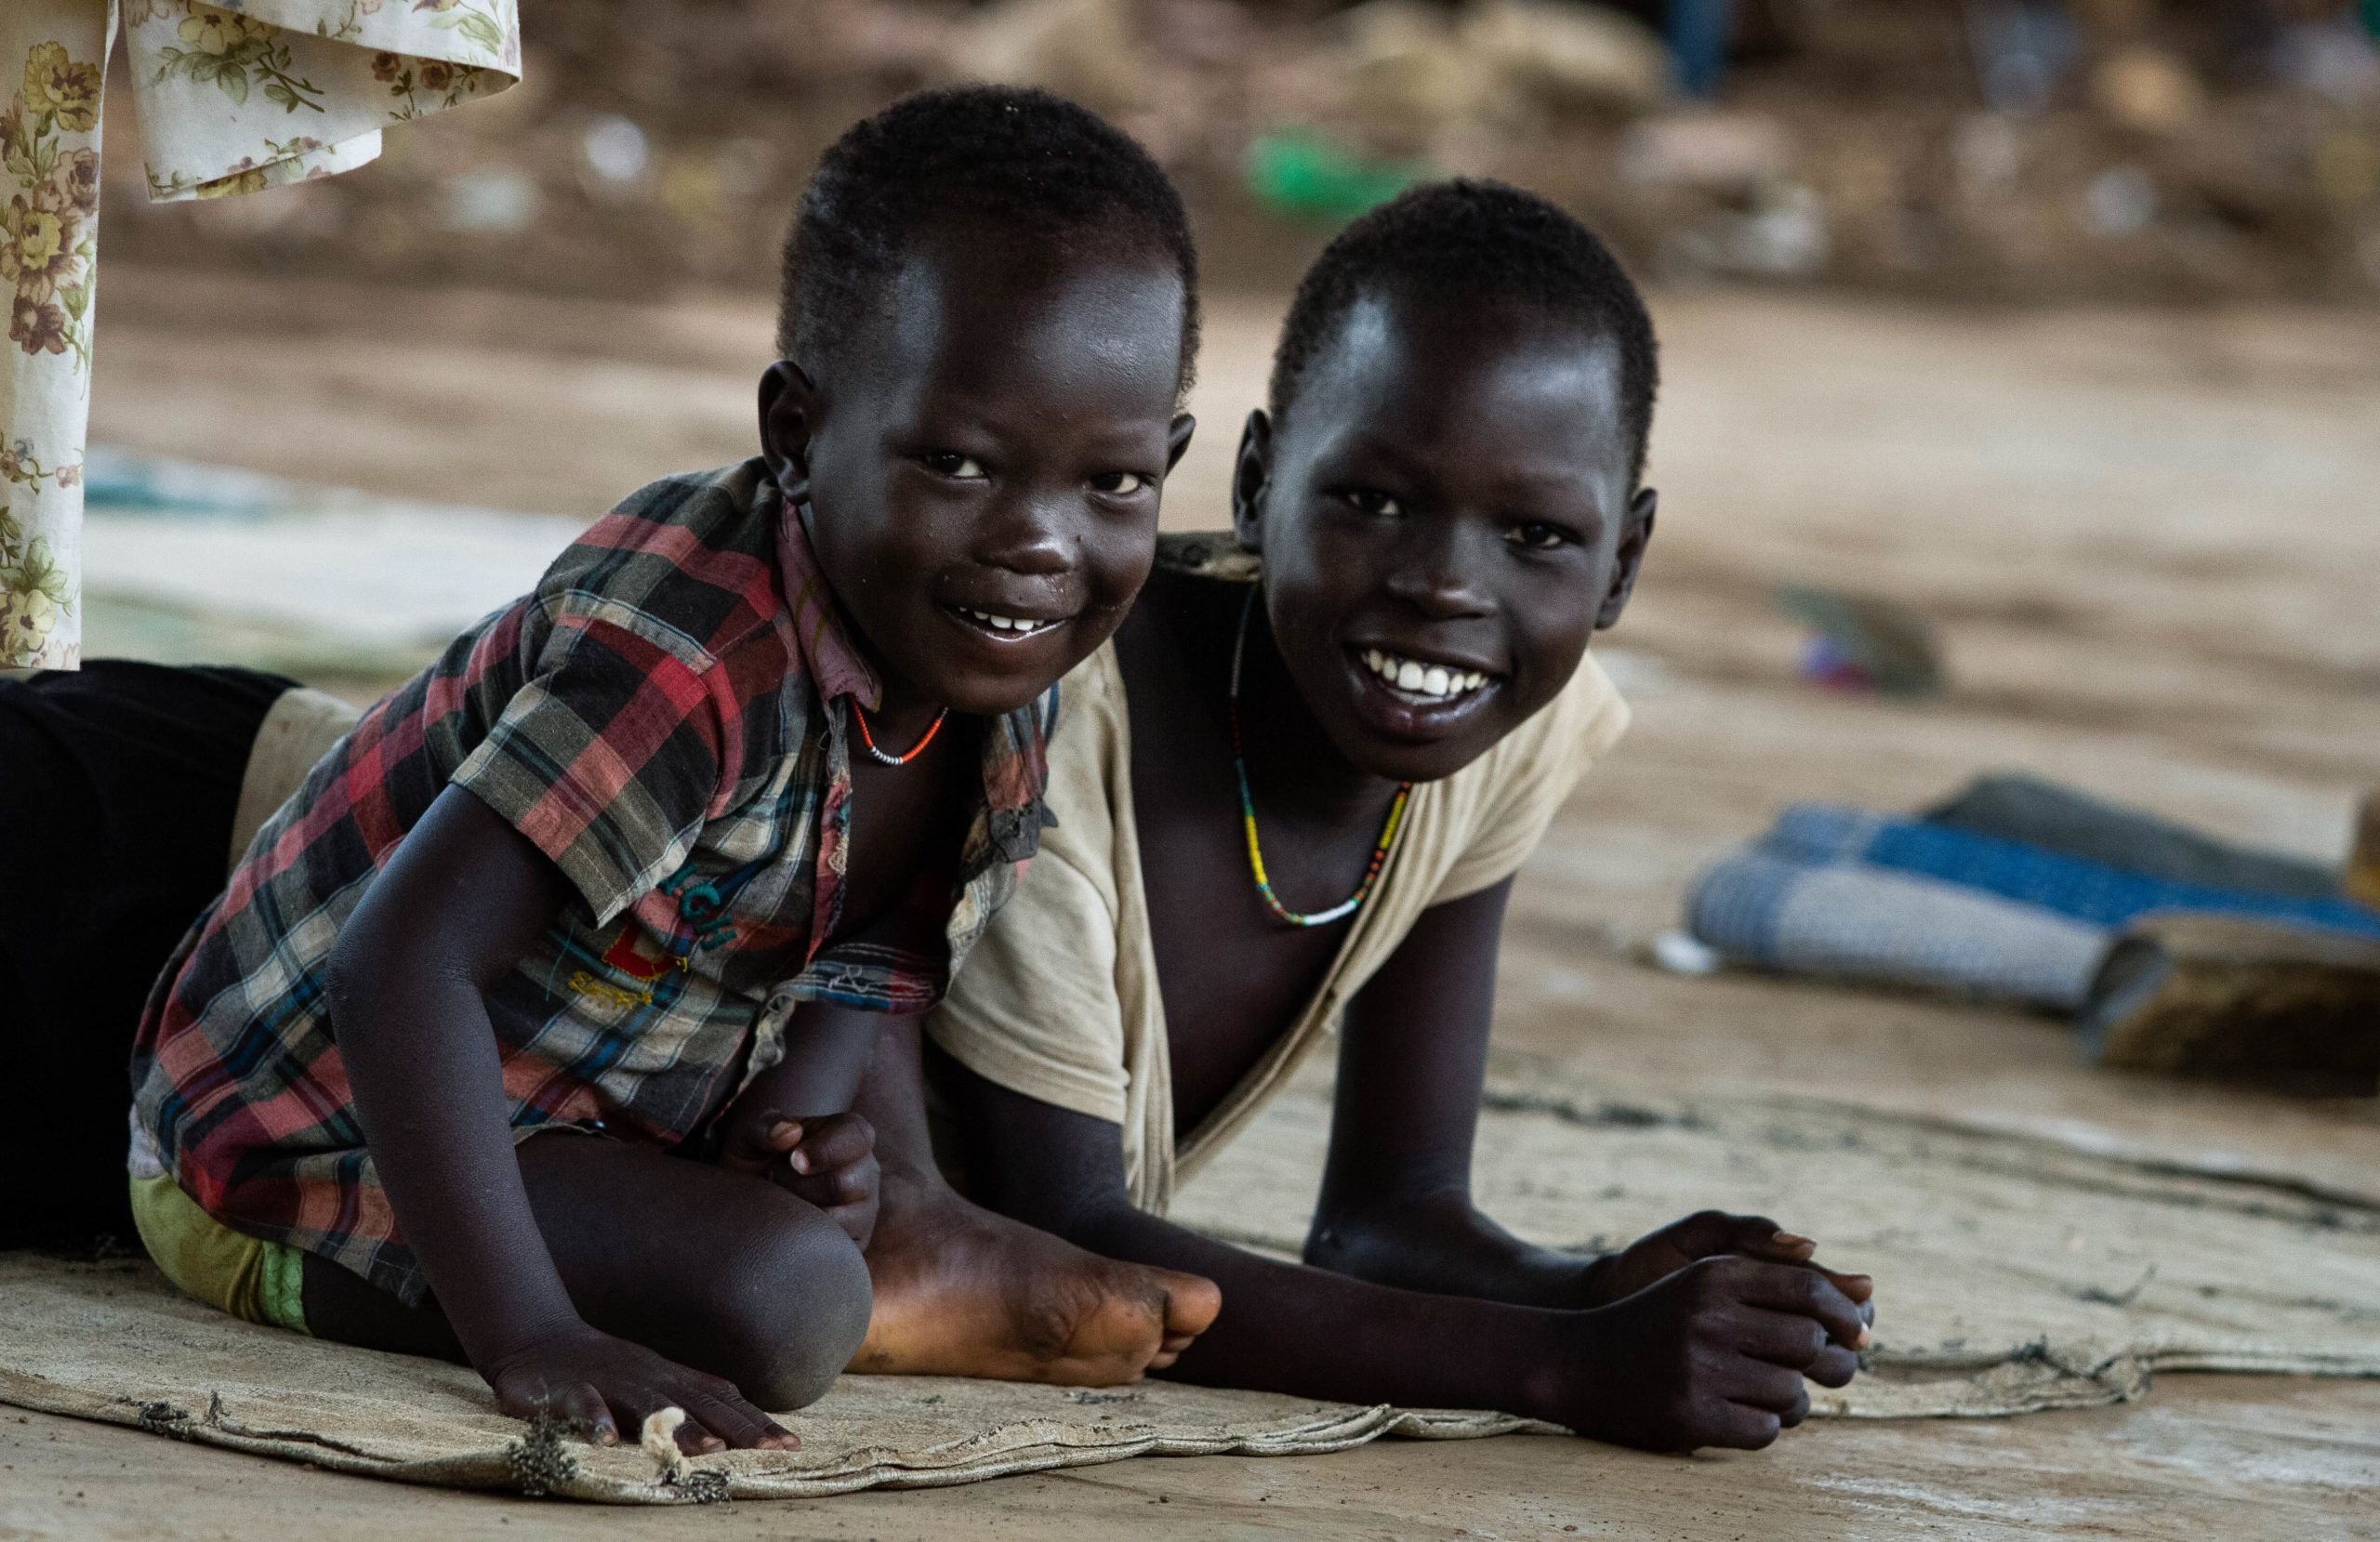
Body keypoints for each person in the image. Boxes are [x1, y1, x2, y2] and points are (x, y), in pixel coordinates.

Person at [115, 85, 1215, 1457]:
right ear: (799, 434)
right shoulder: (694, 654)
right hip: (296, 1134)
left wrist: (793, 1146)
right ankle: (393, 1275)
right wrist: (528, 1335)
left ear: (1167, 461)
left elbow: (850, 955)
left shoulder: (996, 653)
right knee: (784, 1298)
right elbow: (399, 968)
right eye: (957, 462)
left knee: (795, 1257)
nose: (1040, 542)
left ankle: (808, 1267)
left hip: (578, 1119)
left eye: (1110, 485)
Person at [902, 179, 1878, 1454]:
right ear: (1258, 482)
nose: (1443, 588)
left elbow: (1392, 1215)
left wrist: (1601, 1292)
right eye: (1371, 501)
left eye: (1536, 533)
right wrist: (1559, 1362)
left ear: (1622, 564)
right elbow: (1065, 1248)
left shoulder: (1511, 727)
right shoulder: (1056, 720)